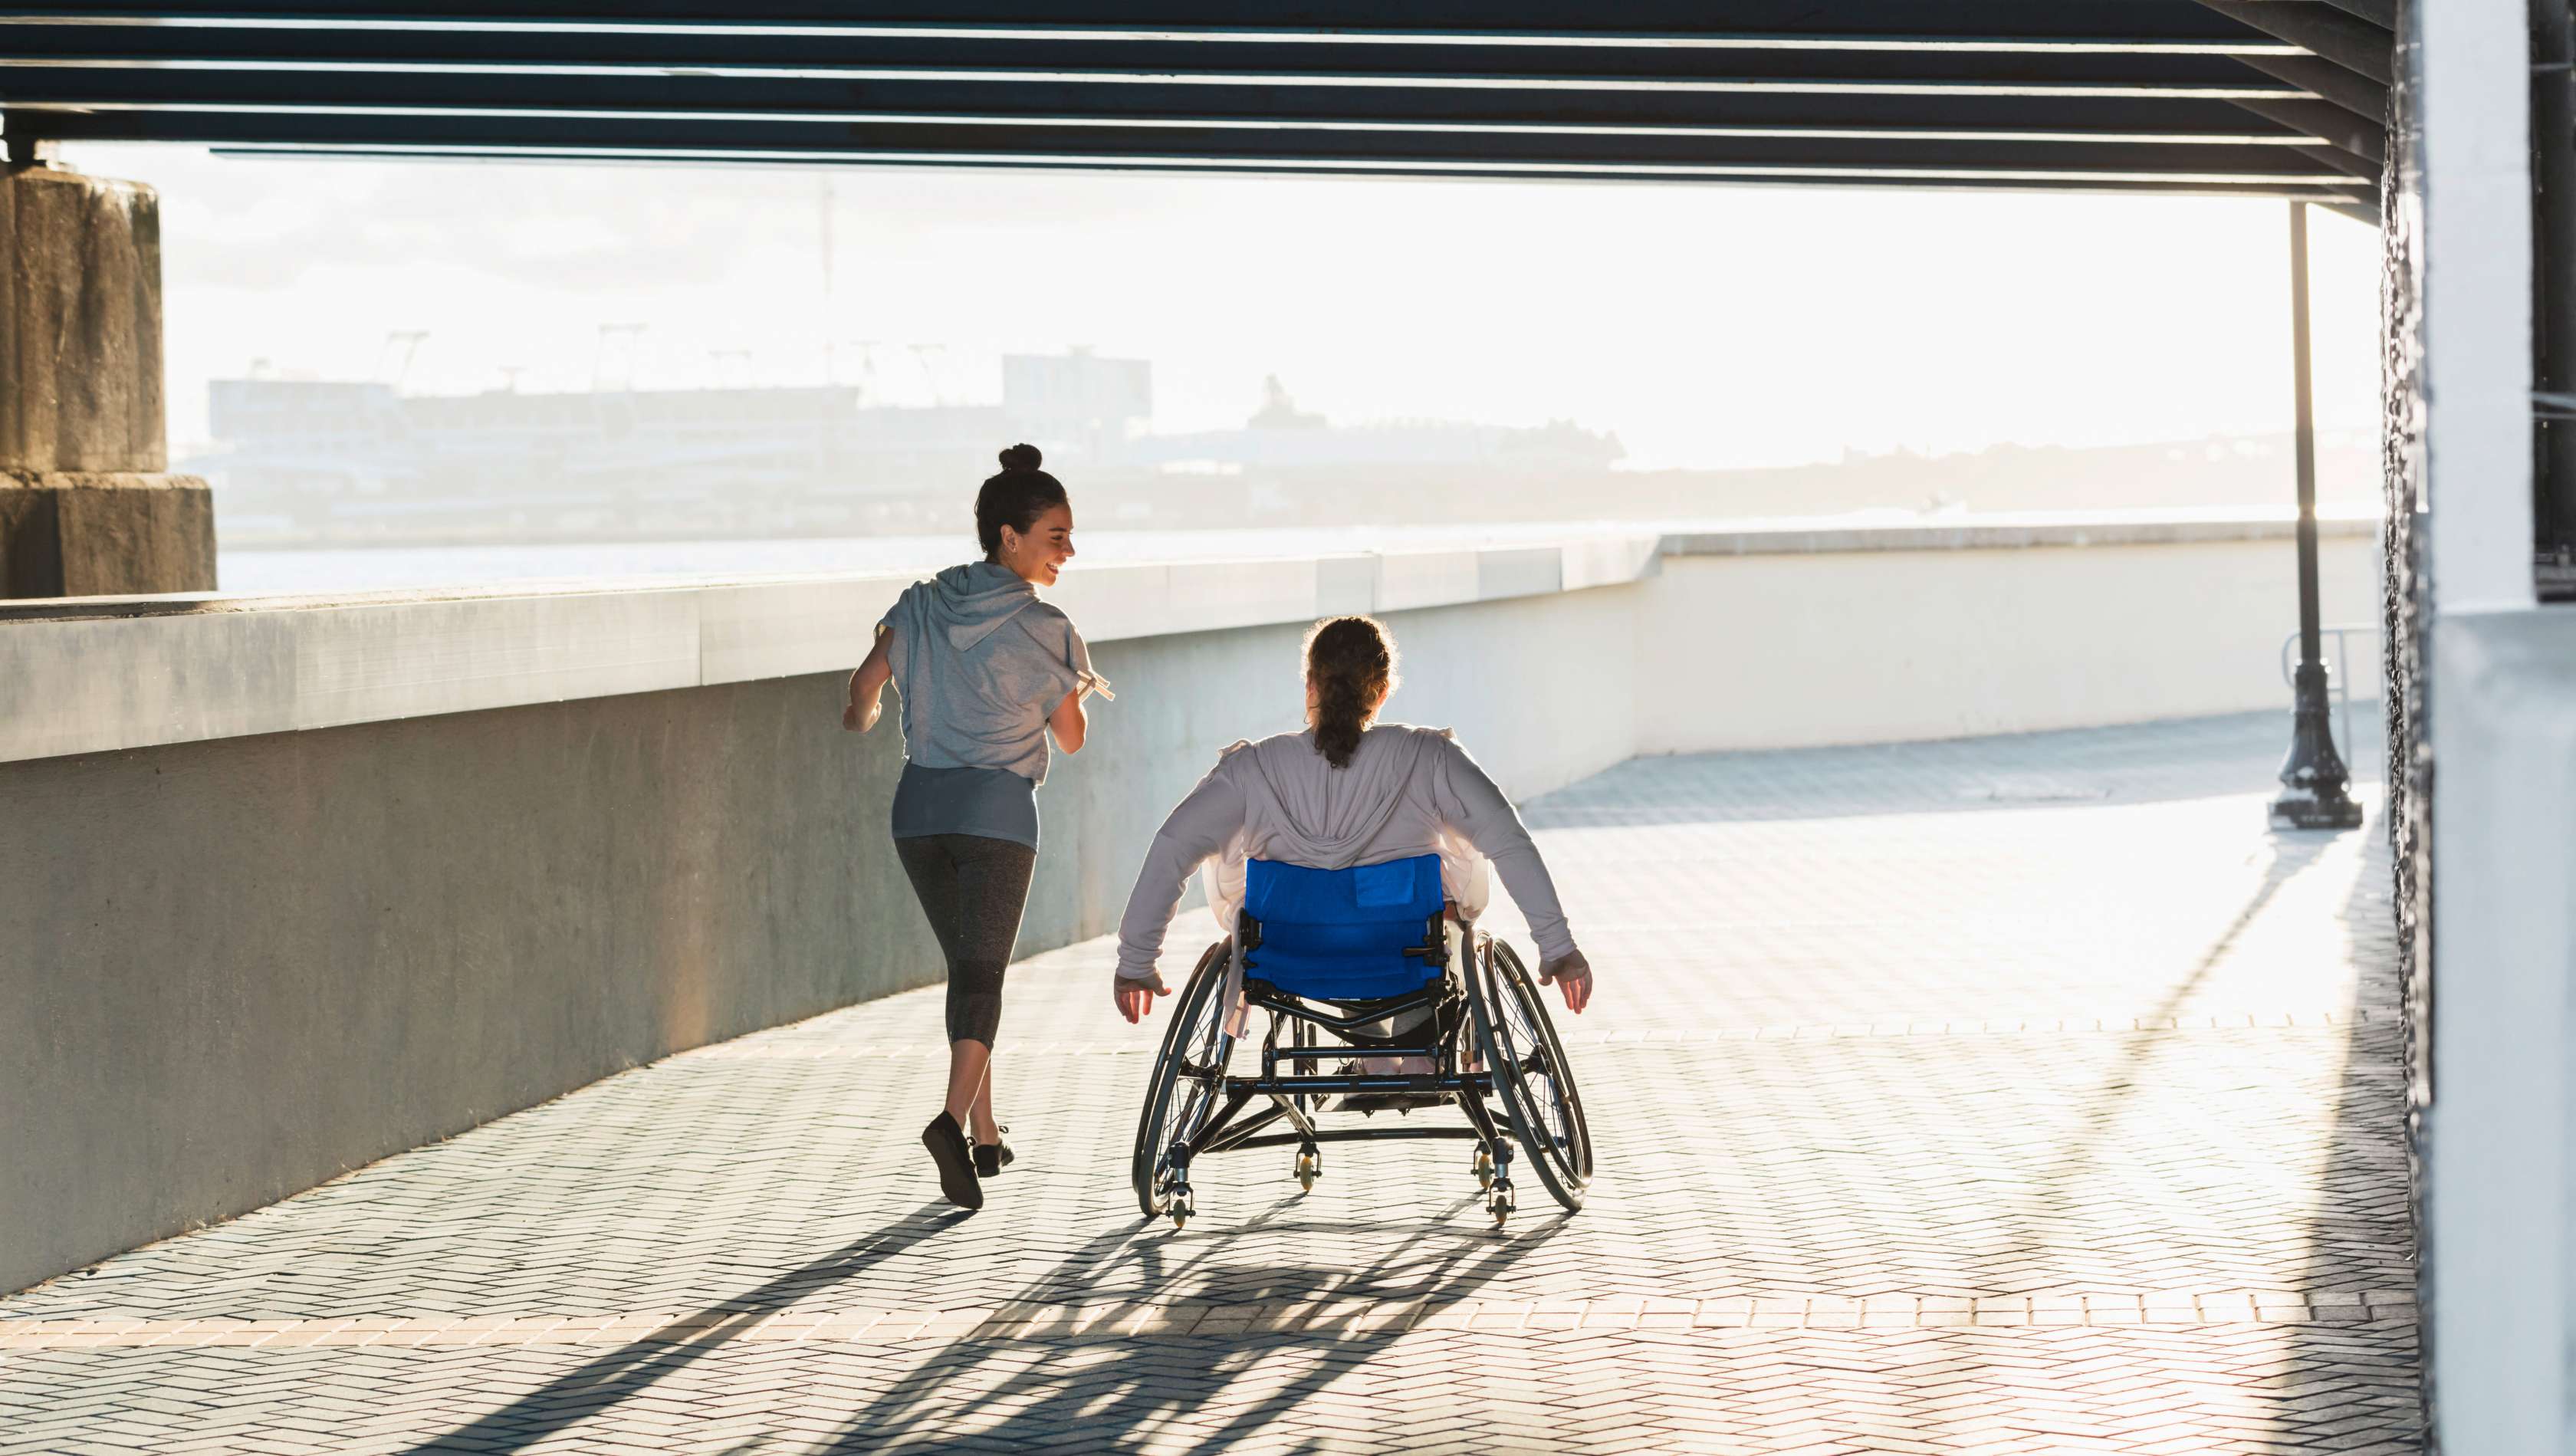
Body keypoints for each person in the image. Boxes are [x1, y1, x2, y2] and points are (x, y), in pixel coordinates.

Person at [1110, 615, 1593, 1036]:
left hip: (1285, 952)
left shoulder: (1251, 769)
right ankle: (1408, 1038)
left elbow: (1173, 845)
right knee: (1460, 861)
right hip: (1405, 948)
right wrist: (1558, 947)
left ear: (1310, 686)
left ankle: (1373, 1043)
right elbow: (1508, 839)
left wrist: (1136, 961)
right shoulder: (1427, 757)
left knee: (1232, 865)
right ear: (1382, 692)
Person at [845, 443, 1110, 1210]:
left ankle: (987, 1134)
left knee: (971, 968)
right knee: (984, 972)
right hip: (995, 815)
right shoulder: (1045, 627)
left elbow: (864, 690)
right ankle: (950, 1123)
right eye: (1055, 535)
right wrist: (1053, 690)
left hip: (918, 812)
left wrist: (863, 716)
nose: (1068, 550)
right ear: (1009, 536)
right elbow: (1071, 737)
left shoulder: (920, 604)